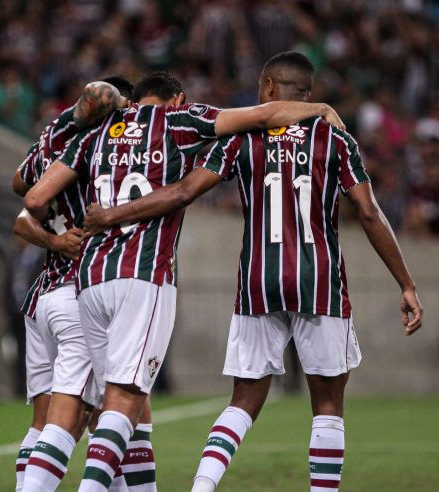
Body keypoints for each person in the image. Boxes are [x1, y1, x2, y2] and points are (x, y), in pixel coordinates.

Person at [81, 52, 424, 492]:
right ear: (307, 94)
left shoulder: (242, 138)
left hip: (258, 284)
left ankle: (201, 488)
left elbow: (184, 191)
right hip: (319, 281)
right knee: (327, 406)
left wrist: (114, 213)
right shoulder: (335, 139)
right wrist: (407, 284)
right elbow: (370, 213)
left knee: (242, 402)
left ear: (267, 88)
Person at [24, 70, 346, 492]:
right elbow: (264, 116)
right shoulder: (178, 121)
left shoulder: (95, 134)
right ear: (176, 99)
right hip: (142, 275)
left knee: (124, 408)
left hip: (89, 278)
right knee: (123, 404)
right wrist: (318, 108)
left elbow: (33, 197)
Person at [13, 76, 161, 492]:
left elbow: (19, 196)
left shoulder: (50, 137)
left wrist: (52, 240)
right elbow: (98, 93)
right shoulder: (97, 145)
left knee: (50, 421)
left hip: (41, 302)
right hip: (77, 295)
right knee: (85, 415)